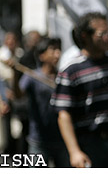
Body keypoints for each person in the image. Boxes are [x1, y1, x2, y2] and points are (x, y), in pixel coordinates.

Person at [51, 12, 108, 168]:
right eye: (102, 34)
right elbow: (63, 115)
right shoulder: (71, 70)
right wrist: (74, 152)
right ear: (85, 36)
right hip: (90, 144)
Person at [16, 37, 69, 167]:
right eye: (52, 50)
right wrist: (14, 74)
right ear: (42, 55)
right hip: (38, 141)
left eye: (58, 50)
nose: (57, 54)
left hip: (62, 140)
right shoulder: (31, 76)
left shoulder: (64, 77)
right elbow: (18, 95)